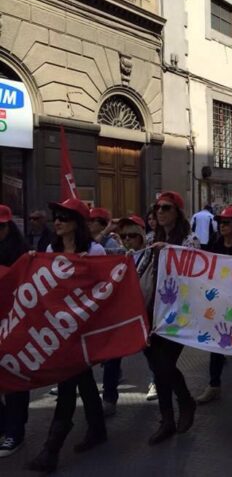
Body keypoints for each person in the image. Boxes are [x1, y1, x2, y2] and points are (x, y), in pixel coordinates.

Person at [27, 198, 107, 472]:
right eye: (55, 216)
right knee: (81, 381)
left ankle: (51, 449)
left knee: (68, 384)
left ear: (77, 222)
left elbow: (103, 287)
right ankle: (98, 430)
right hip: (61, 327)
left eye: (63, 217)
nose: (57, 221)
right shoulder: (51, 248)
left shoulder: (95, 250)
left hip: (84, 328)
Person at [139, 191, 199, 445]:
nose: (160, 212)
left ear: (177, 211)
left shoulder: (190, 239)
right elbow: (141, 268)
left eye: (166, 208)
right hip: (151, 310)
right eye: (157, 208)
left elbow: (195, 271)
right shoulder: (151, 238)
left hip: (177, 312)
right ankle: (167, 420)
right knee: (156, 366)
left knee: (164, 364)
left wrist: (171, 251)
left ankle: (184, 401)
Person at [100, 215, 149, 417]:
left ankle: (157, 385)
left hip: (144, 312)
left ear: (141, 237)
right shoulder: (117, 253)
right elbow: (93, 247)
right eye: (123, 236)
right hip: (121, 313)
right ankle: (109, 398)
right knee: (112, 357)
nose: (127, 240)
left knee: (153, 356)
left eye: (132, 236)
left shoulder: (151, 254)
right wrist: (106, 231)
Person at [196, 206, 232, 405]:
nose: (222, 226)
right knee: (216, 343)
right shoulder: (216, 244)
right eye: (220, 222)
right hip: (220, 301)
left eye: (226, 222)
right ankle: (214, 385)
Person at [0, 205, 30, 458]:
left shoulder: (21, 255)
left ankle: (14, 431)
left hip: (14, 324)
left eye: (1, 226)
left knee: (14, 378)